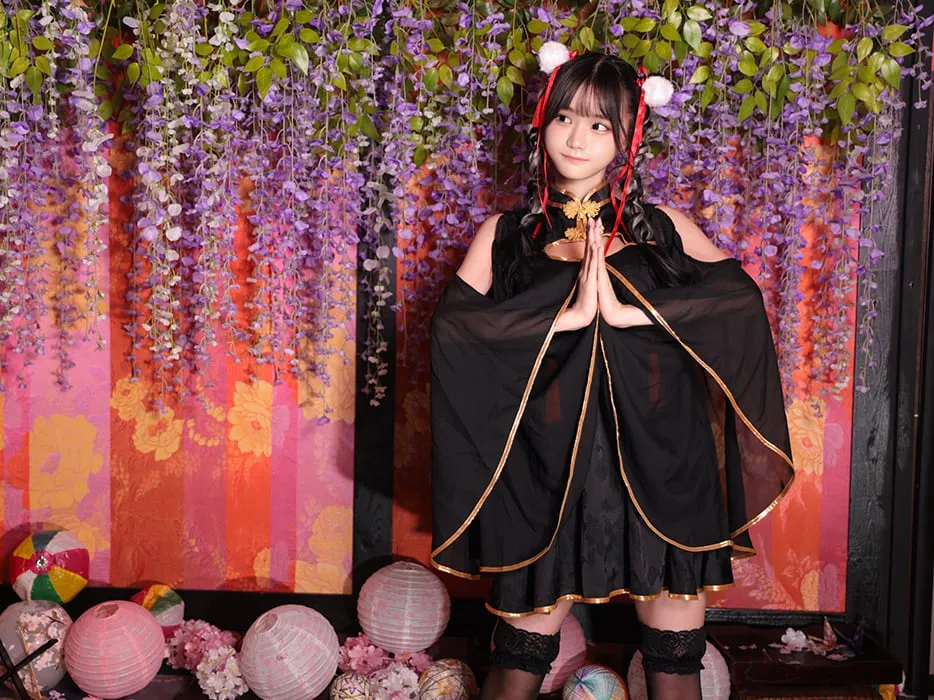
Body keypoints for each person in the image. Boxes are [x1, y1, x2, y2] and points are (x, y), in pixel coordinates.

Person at [429, 44, 795, 700]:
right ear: (542, 121)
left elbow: (738, 304)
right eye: (565, 117)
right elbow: (456, 331)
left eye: (600, 124)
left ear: (628, 139)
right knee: (516, 667)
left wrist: (630, 313)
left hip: (663, 471)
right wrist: (564, 319)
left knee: (675, 667)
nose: (577, 138)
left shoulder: (665, 230)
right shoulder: (505, 235)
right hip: (543, 477)